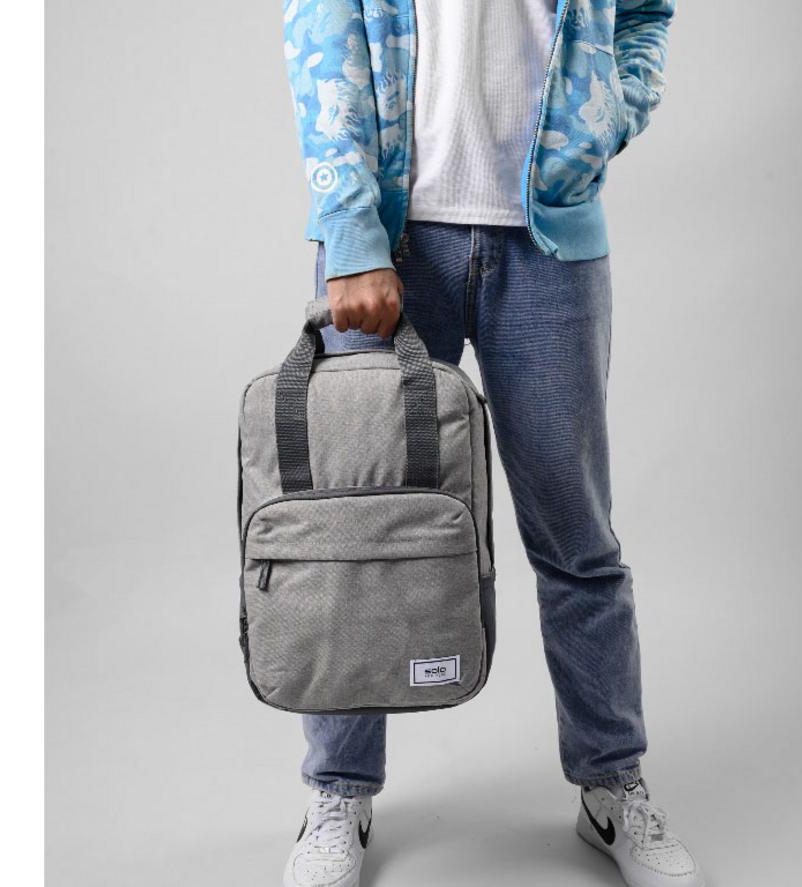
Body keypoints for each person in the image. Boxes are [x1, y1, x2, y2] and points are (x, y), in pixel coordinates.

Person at [278, 2, 702, 886]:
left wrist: (605, 116)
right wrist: (350, 224)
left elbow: (645, 14)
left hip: (549, 242)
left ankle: (611, 783)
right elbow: (322, 24)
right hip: (391, 239)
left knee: (577, 539)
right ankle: (338, 790)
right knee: (354, 535)